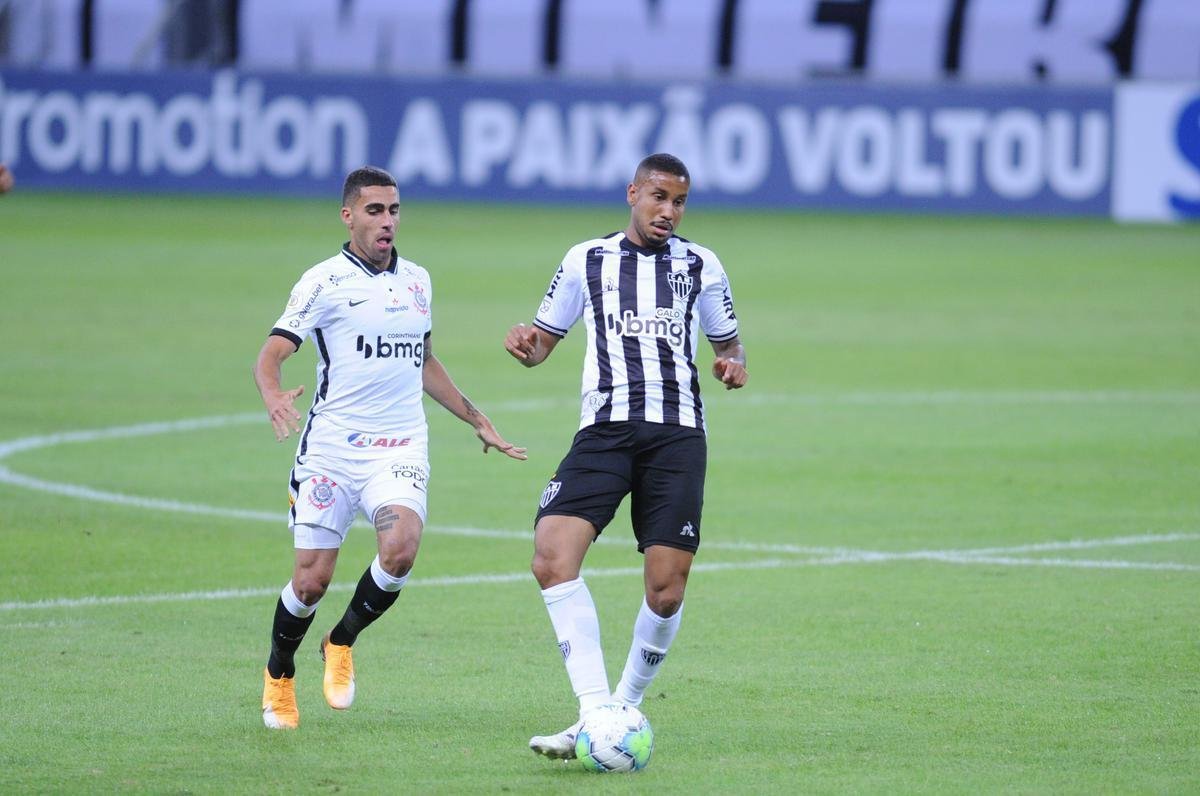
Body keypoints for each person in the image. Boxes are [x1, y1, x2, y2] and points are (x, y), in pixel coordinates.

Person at [255, 165, 526, 730]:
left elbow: (424, 362)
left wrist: (478, 419)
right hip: (331, 449)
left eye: (394, 210)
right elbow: (273, 351)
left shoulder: (418, 281)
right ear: (348, 215)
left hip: (399, 445)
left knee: (400, 549)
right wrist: (274, 392)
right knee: (310, 582)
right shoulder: (323, 282)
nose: (387, 222)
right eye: (375, 211)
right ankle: (280, 671)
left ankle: (341, 640)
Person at [503, 153, 749, 759]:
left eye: (680, 201)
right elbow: (542, 345)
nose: (669, 211)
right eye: (659, 197)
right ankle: (595, 712)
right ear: (633, 193)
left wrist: (732, 364)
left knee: (666, 590)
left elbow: (729, 342)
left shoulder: (701, 264)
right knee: (551, 557)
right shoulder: (586, 259)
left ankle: (625, 706)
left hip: (677, 435)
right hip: (605, 430)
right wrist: (525, 346)